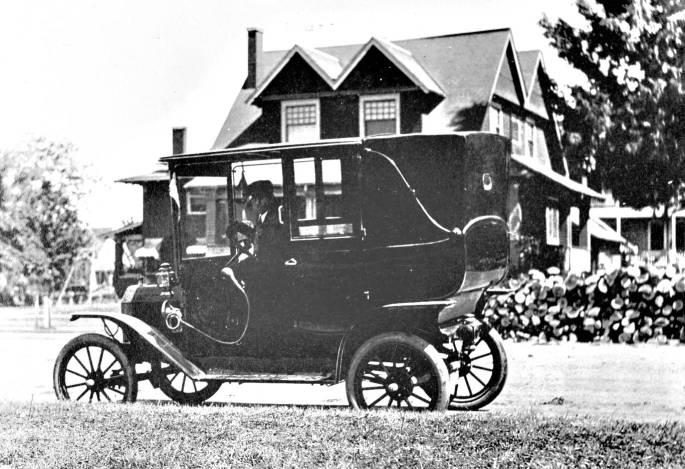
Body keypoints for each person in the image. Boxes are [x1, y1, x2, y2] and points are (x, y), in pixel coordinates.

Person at [229, 180, 285, 261]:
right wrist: (241, 227)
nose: (257, 202)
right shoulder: (261, 217)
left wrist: (249, 233)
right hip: (261, 260)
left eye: (261, 198)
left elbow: (266, 239)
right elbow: (258, 233)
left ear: (270, 198)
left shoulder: (277, 217)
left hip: (270, 264)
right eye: (255, 198)